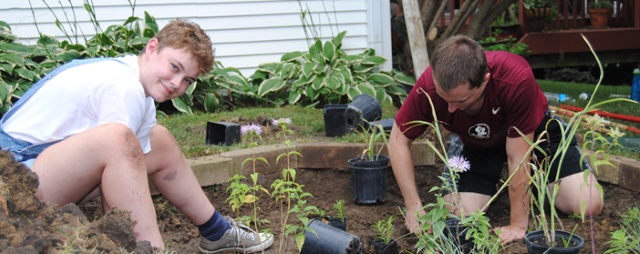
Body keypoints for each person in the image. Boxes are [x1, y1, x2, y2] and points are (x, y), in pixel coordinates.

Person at [0, 19, 273, 253]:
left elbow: (123, 168)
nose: (178, 84)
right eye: (175, 67)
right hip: (12, 182)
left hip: (39, 168)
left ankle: (215, 231)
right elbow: (117, 168)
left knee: (160, 141)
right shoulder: (123, 86)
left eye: (188, 80)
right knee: (118, 140)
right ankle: (150, 249)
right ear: (152, 48)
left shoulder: (138, 90)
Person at [387, 35, 603, 244]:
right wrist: (413, 205)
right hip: (477, 142)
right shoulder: (431, 84)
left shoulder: (515, 78)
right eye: (445, 100)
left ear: (484, 81)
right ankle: (505, 183)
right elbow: (397, 140)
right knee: (455, 213)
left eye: (460, 100)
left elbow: (519, 157)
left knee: (588, 204)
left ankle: (538, 184)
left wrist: (518, 225)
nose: (450, 109)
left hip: (534, 137)